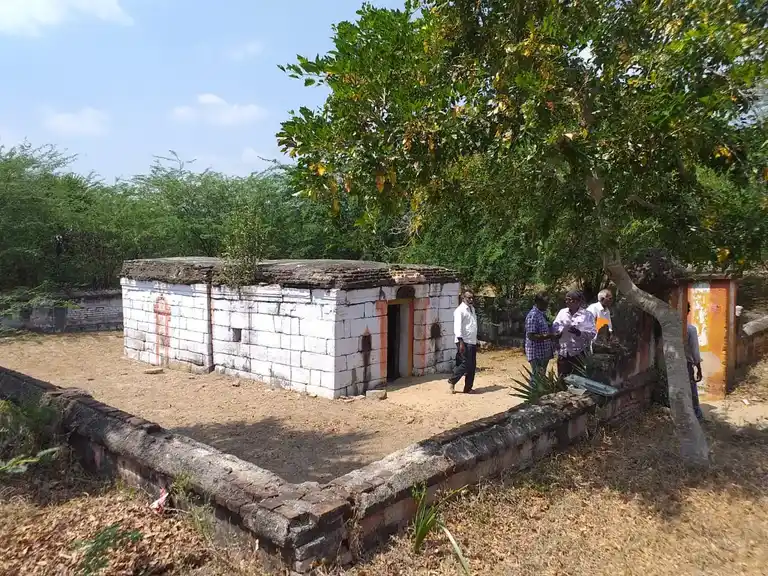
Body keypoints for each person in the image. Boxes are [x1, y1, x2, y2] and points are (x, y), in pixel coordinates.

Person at [552, 290, 597, 379]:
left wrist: (579, 333)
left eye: (570, 300)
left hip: (579, 354)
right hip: (563, 353)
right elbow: (555, 326)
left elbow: (592, 333)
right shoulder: (562, 312)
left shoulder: (587, 315)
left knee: (578, 381)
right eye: (566, 299)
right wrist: (557, 332)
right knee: (562, 380)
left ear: (578, 301)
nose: (567, 302)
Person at [448, 290, 478, 394]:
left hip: (472, 341)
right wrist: (460, 342)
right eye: (468, 298)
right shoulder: (459, 310)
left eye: (471, 298)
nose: (471, 300)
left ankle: (468, 388)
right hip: (463, 341)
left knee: (472, 365)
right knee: (465, 363)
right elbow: (457, 327)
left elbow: (471, 325)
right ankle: (452, 380)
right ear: (463, 298)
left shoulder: (472, 309)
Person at [524, 291, 556, 384]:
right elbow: (531, 336)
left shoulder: (541, 314)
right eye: (545, 303)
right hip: (536, 353)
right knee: (537, 378)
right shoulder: (533, 315)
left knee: (540, 377)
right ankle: (533, 397)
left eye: (548, 302)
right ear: (538, 302)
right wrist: (551, 336)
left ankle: (538, 397)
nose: (547, 305)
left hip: (543, 353)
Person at [686, 302, 704, 420]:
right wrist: (699, 368)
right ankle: (697, 415)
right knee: (692, 389)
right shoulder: (690, 329)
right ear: (688, 312)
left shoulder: (668, 329)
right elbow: (695, 352)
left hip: (671, 364)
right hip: (687, 364)